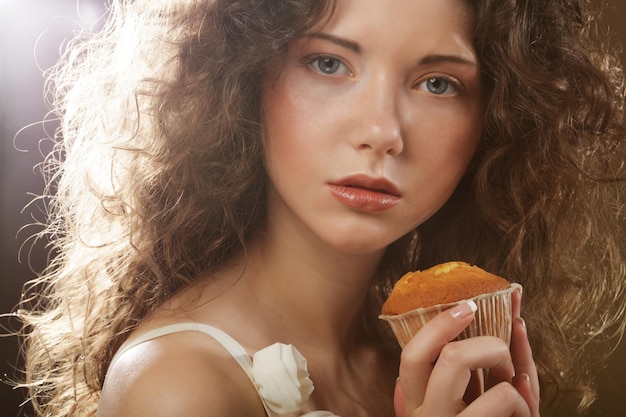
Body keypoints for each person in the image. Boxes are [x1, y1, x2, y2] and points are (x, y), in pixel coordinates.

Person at [13, 0, 626, 416]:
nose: (383, 131)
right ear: (243, 75)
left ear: (497, 119)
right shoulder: (176, 385)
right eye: (329, 63)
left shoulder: (431, 363)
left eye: (438, 82)